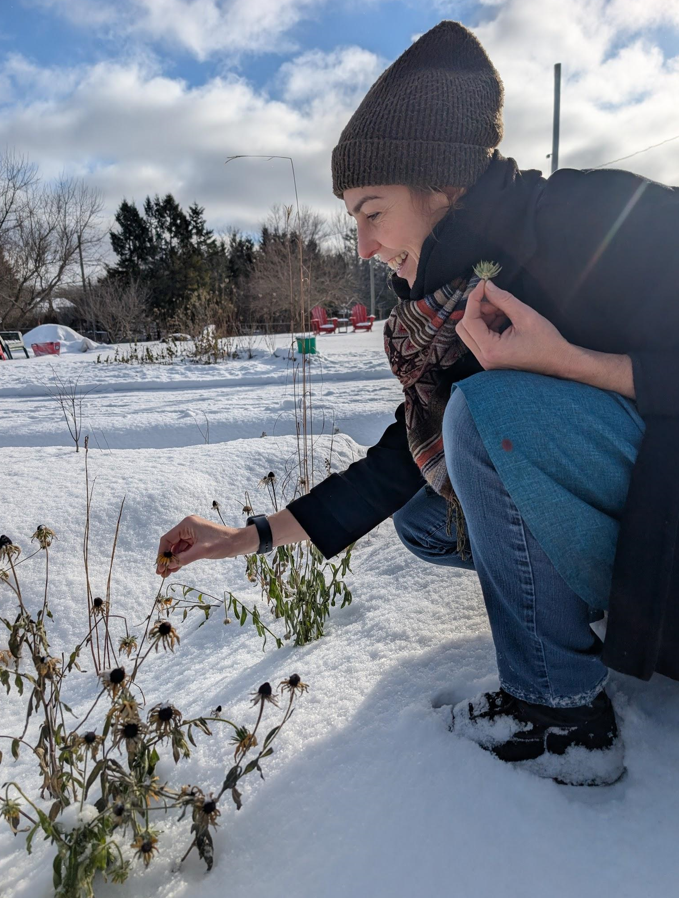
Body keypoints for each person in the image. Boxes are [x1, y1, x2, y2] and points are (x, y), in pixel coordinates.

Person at [156, 21, 679, 786]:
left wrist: (573, 364)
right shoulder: (455, 298)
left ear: (445, 189)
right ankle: (570, 616)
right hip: (633, 512)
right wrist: (248, 537)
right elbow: (400, 460)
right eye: (352, 221)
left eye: (372, 211)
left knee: (481, 416)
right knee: (428, 509)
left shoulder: (590, 216)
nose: (363, 247)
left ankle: (561, 717)